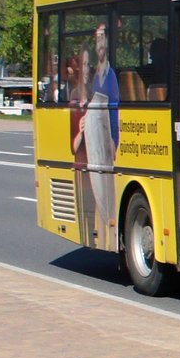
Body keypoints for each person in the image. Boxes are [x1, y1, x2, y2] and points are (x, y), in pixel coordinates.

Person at [88, 23, 119, 248]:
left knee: (107, 190)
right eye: (97, 40)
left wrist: (114, 140)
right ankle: (105, 237)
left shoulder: (110, 75)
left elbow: (114, 109)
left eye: (102, 40)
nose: (100, 45)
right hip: (94, 137)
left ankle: (110, 234)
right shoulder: (95, 75)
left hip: (105, 137)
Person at [67, 49, 96, 246]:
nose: (86, 69)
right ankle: (88, 240)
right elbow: (73, 146)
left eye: (88, 65)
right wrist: (81, 131)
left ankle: (94, 240)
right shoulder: (75, 96)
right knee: (84, 214)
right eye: (83, 65)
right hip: (81, 164)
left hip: (96, 164)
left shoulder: (96, 94)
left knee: (95, 212)